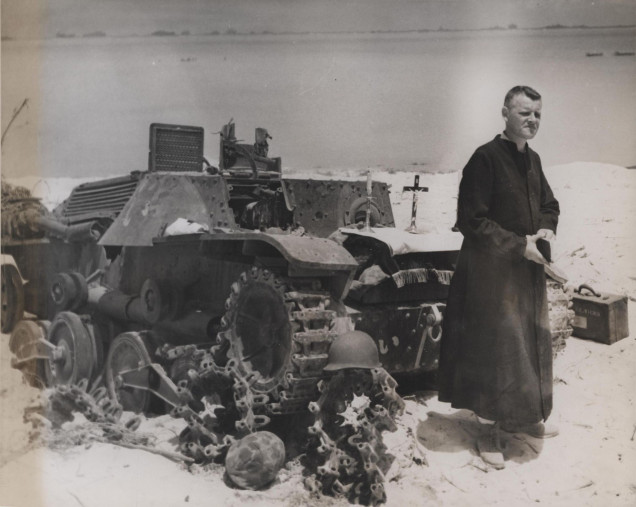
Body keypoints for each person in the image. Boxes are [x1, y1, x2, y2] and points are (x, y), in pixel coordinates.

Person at [437, 85, 560, 469]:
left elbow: (549, 205)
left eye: (537, 114)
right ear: (504, 113)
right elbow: (470, 221)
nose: (532, 120)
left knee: (528, 344)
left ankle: (524, 419)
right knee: (493, 353)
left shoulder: (533, 160)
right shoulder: (485, 158)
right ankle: (488, 433)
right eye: (525, 113)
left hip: (526, 271)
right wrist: (518, 244)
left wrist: (545, 231)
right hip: (490, 275)